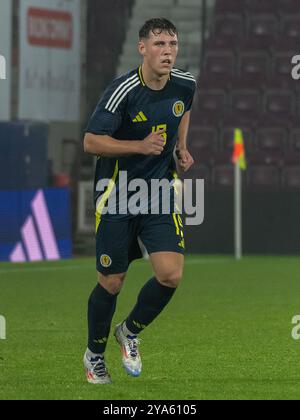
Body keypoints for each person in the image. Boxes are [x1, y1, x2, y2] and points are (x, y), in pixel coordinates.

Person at [83, 18, 196, 384]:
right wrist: (138, 145)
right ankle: (94, 355)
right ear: (142, 48)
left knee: (170, 274)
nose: (168, 51)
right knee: (112, 282)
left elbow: (184, 107)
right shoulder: (123, 91)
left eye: (173, 44)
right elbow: (91, 142)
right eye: (160, 44)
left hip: (160, 192)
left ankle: (128, 332)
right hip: (117, 196)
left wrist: (181, 146)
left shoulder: (185, 83)